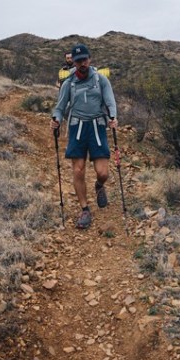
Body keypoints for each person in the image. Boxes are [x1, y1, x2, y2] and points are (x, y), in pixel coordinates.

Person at [50, 43, 118, 229]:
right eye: (78, 61)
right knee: (78, 170)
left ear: (89, 59)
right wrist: (56, 120)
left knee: (103, 172)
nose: (82, 63)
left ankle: (99, 185)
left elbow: (110, 101)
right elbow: (60, 107)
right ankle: (85, 209)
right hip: (77, 127)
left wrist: (113, 117)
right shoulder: (68, 83)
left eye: (84, 59)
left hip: (97, 127)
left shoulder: (101, 80)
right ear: (73, 62)